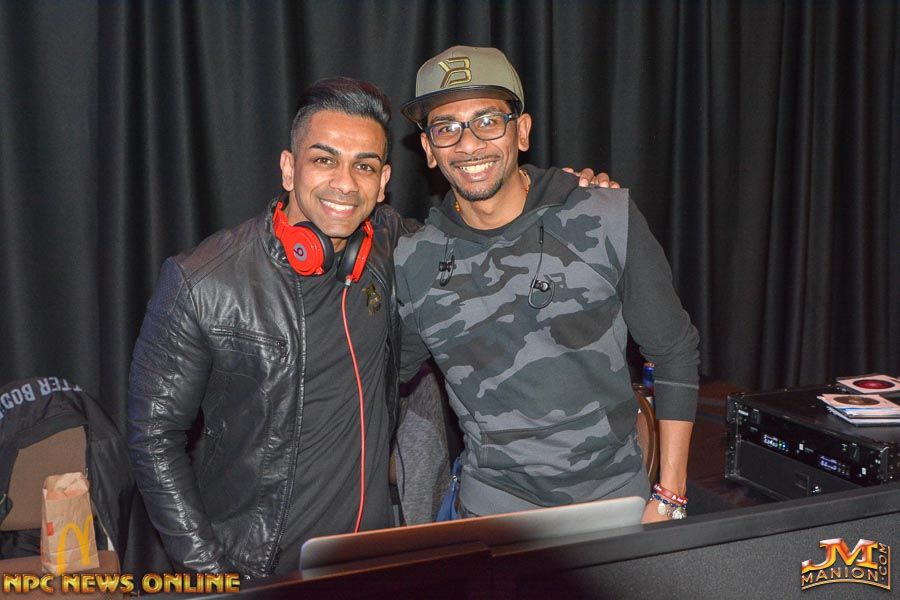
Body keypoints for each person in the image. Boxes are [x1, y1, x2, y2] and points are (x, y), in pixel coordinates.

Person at [127, 76, 613, 578]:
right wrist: (212, 576)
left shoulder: (392, 249)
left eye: (363, 166)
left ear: (383, 183)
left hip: (371, 565)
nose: (345, 183)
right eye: (324, 160)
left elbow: (487, 229)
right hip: (258, 570)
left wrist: (558, 193)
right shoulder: (204, 282)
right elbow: (153, 437)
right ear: (289, 168)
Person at [395, 46, 700, 523]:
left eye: (487, 121)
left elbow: (674, 350)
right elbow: (372, 380)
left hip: (615, 510)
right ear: (429, 149)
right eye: (446, 127)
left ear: (521, 131)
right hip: (489, 519)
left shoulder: (605, 216)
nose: (468, 144)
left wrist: (670, 496)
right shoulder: (414, 262)